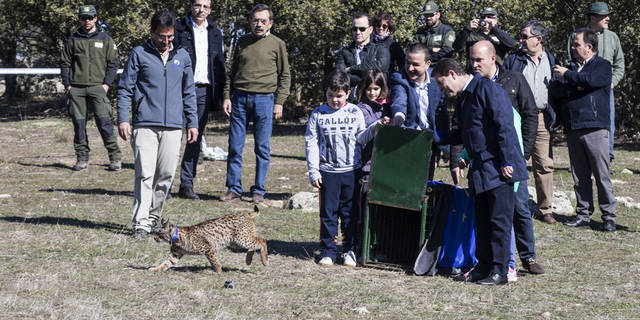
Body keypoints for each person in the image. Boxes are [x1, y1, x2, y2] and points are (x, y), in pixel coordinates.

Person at [433, 58, 528, 285]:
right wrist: (435, 137)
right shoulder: (465, 98)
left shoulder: (487, 89)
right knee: (482, 221)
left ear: (452, 74)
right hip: (480, 169)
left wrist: (507, 161)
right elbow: (464, 133)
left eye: (442, 83)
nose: (442, 90)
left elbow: (504, 125)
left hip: (499, 167)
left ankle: (500, 270)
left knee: (499, 221)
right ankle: (483, 267)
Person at [117, 10, 198, 239]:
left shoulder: (182, 56)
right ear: (152, 33)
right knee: (144, 174)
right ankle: (140, 223)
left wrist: (192, 122)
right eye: (162, 36)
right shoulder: (139, 54)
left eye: (170, 36)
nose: (166, 41)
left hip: (173, 126)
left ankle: (154, 218)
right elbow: (125, 89)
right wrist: (123, 119)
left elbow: (189, 92)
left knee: (165, 176)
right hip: (144, 125)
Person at [468, 40, 545, 277]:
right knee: (493, 213)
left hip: (512, 157)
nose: (474, 64)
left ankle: (528, 256)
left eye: (478, 60)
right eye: (471, 60)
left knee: (520, 207)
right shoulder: (474, 85)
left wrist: (524, 152)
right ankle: (497, 263)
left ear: (492, 58)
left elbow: (530, 113)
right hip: (489, 161)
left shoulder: (513, 79)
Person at [221, 4, 291, 204]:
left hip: (265, 99)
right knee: (235, 146)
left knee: (262, 147)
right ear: (250, 22)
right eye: (255, 20)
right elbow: (231, 73)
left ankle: (258, 190)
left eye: (263, 21)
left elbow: (285, 76)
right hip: (240, 99)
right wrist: (227, 96)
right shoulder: (242, 42)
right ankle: (234, 188)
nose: (258, 24)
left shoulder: (278, 44)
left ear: (270, 23)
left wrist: (279, 102)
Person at [551, 28, 616, 232]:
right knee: (579, 176)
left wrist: (570, 77)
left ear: (589, 47)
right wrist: (575, 82)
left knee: (601, 174)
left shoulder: (602, 66)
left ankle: (608, 217)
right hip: (573, 128)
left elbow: (592, 81)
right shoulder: (570, 68)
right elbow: (557, 89)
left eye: (576, 44)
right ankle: (583, 214)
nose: (572, 48)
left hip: (596, 127)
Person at [305, 70, 366, 267]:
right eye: (330, 95)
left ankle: (350, 250)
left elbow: (363, 138)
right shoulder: (318, 114)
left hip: (351, 171)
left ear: (348, 93)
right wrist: (314, 171)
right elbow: (311, 143)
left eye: (339, 95)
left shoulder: (355, 112)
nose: (335, 100)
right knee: (328, 213)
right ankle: (328, 251)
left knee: (350, 213)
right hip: (327, 173)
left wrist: (376, 129)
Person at [504, 20, 558, 225]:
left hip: (542, 117)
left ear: (539, 39)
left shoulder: (551, 60)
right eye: (521, 36)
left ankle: (545, 209)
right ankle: (510, 203)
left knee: (544, 163)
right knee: (515, 159)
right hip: (519, 117)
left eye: (525, 37)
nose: (521, 40)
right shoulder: (513, 60)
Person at [173, 0, 227, 200]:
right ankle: (165, 182)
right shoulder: (178, 28)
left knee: (194, 139)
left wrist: (222, 95)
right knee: (173, 137)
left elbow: (219, 64)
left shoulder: (215, 32)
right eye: (197, 5)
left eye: (205, 6)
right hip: (179, 90)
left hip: (204, 91)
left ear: (210, 9)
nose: (200, 9)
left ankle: (187, 184)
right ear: (190, 6)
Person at [60, 4, 122, 171]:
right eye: (83, 18)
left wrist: (106, 85)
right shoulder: (72, 40)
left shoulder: (105, 39)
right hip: (77, 89)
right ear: (79, 19)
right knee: (79, 125)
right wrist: (67, 85)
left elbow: (113, 62)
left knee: (104, 122)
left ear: (95, 18)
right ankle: (81, 158)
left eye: (90, 18)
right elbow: (64, 63)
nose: (86, 21)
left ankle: (115, 157)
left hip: (98, 88)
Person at [566, 2, 624, 162]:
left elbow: (620, 64)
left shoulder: (613, 37)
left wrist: (612, 82)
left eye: (608, 15)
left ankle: (607, 158)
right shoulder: (576, 35)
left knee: (608, 123)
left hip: (605, 90)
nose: (608, 18)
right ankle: (583, 158)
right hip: (580, 88)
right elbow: (569, 61)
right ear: (593, 17)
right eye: (604, 15)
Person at [388, 43, 449, 179]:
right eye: (407, 63)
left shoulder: (437, 81)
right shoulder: (399, 77)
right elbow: (400, 98)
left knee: (426, 184)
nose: (410, 68)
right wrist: (399, 116)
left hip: (429, 142)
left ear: (427, 64)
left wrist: (445, 145)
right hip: (406, 141)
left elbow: (442, 115)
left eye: (415, 64)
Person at [336, 12, 390, 101]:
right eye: (354, 29)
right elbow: (340, 77)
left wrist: (351, 69)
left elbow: (381, 68)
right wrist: (368, 77)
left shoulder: (381, 49)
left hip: (375, 102)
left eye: (362, 29)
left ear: (370, 29)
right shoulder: (345, 51)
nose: (357, 32)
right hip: (351, 101)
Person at [452, 7, 516, 66]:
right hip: (476, 74)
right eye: (483, 17)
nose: (486, 19)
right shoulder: (472, 36)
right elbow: (457, 47)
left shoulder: (501, 36)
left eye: (489, 17)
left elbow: (512, 44)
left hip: (497, 74)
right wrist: (467, 29)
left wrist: (493, 28)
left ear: (496, 20)